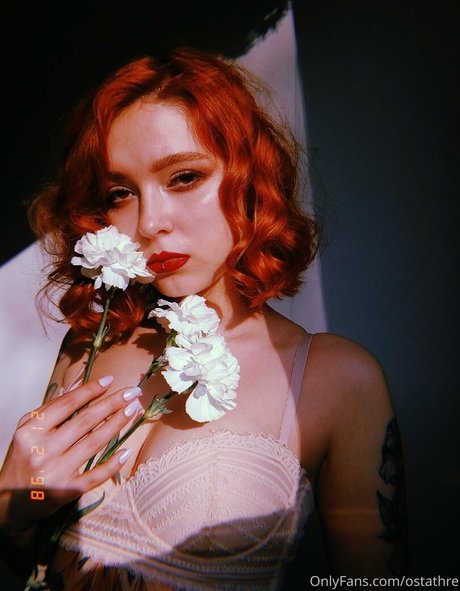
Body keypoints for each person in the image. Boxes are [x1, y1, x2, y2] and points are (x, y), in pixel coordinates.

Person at [0, 47, 407, 590]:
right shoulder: (89, 347)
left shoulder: (335, 380)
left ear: (250, 177)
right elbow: (31, 553)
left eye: (184, 177)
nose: (150, 223)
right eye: (121, 193)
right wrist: (16, 502)